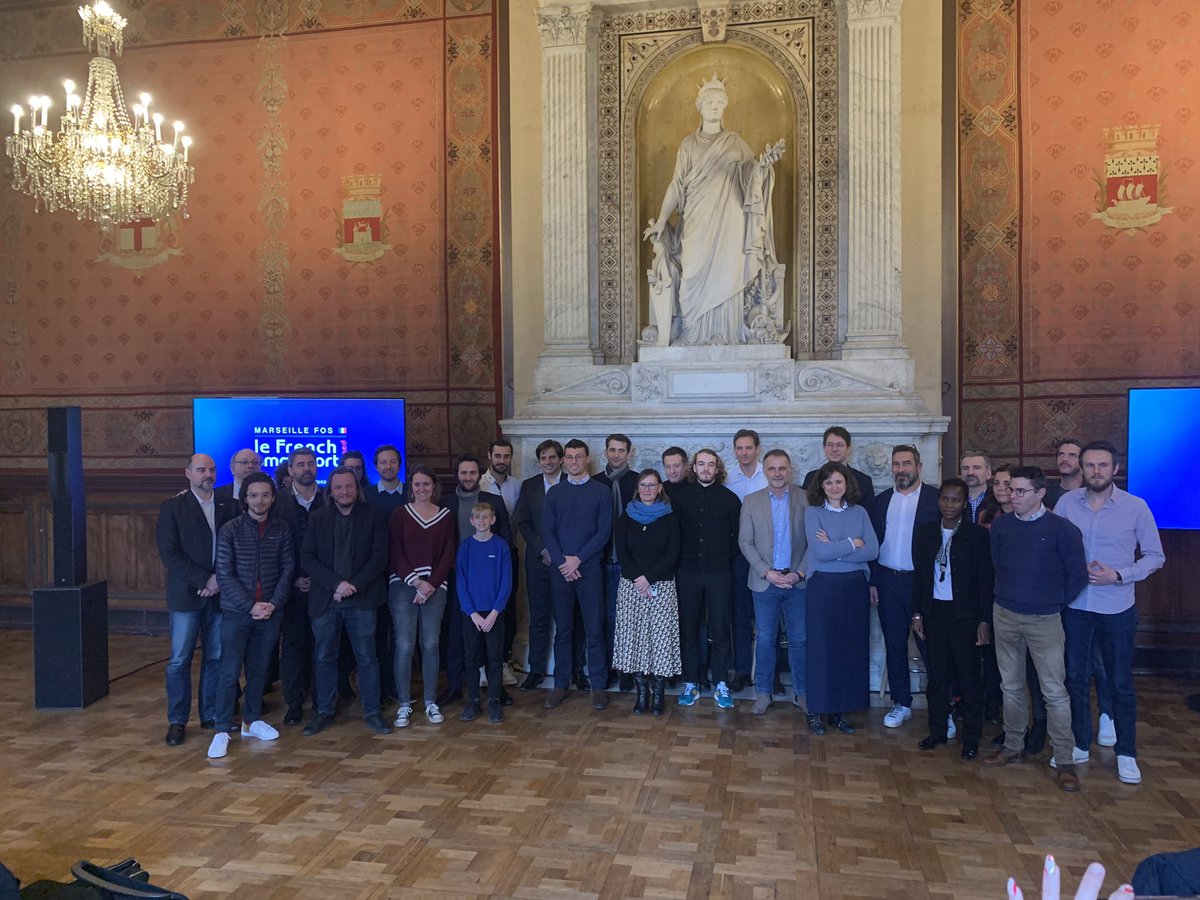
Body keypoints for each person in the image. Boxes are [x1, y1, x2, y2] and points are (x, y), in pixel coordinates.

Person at [642, 75, 786, 345]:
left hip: (730, 220)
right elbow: (677, 183)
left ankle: (729, 336)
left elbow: (750, 177)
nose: (715, 106)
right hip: (697, 221)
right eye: (710, 101)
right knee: (692, 272)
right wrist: (662, 220)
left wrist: (763, 167)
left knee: (727, 274)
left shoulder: (734, 142)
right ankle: (692, 335)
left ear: (725, 106)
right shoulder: (688, 145)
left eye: (720, 101)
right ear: (700, 105)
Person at [1053, 440, 1165, 785]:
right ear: (1081, 469)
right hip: (1075, 605)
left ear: (1115, 470)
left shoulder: (1136, 507)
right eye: (1090, 466)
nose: (1096, 472)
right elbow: (1053, 545)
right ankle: (1080, 743)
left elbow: (1154, 556)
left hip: (1117, 607)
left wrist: (1118, 575)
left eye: (1103, 466)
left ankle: (1127, 753)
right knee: (1074, 677)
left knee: (1119, 683)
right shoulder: (1066, 503)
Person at [982, 466, 1088, 792]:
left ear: (1040, 493)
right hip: (1005, 614)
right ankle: (1013, 745)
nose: (1012, 496)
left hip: (1045, 619)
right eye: (1011, 490)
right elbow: (996, 566)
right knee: (1010, 686)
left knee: (1054, 691)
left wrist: (1053, 602)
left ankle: (1064, 759)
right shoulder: (1001, 526)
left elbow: (1078, 576)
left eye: (1020, 491)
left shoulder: (1062, 530)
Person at [208, 473, 294, 759]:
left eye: (265, 495)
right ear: (245, 498)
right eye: (254, 495)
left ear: (273, 497)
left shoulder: (281, 529)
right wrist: (250, 606)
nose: (260, 500)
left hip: (270, 612)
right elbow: (224, 573)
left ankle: (252, 720)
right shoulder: (230, 529)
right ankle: (222, 729)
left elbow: (287, 569)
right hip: (237, 613)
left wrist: (273, 603)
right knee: (229, 671)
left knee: (260, 670)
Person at [300, 466, 392, 737]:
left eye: (349, 486)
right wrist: (336, 585)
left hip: (362, 601)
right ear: (331, 491)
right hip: (326, 602)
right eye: (338, 487)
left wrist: (353, 586)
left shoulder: (373, 516)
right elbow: (308, 558)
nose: (344, 491)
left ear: (357, 488)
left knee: (367, 658)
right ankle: (324, 712)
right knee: (324, 658)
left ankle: (373, 712)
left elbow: (380, 556)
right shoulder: (317, 518)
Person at [156, 453, 238, 746]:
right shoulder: (172, 507)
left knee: (216, 657)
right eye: (201, 469)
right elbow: (169, 553)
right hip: (186, 595)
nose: (208, 474)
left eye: (212, 470)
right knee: (179, 660)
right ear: (188, 473)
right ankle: (177, 721)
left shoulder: (230, 505)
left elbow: (235, 547)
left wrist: (218, 579)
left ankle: (212, 714)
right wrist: (204, 580)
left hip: (220, 595)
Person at [910, 478, 993, 759]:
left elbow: (985, 581)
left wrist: (984, 620)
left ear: (963, 503)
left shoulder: (977, 536)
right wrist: (918, 613)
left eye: (955, 500)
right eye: (944, 499)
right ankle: (937, 730)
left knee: (969, 677)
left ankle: (971, 737)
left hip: (965, 615)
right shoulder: (926, 533)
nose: (949, 504)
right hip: (935, 612)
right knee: (938, 676)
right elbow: (921, 577)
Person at [803, 461, 879, 734]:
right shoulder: (813, 514)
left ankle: (842, 711)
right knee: (821, 648)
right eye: (828, 483)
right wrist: (850, 543)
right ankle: (816, 711)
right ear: (820, 487)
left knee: (849, 649)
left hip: (855, 586)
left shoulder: (859, 512)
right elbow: (820, 554)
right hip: (823, 586)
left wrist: (834, 547)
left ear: (847, 484)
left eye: (839, 482)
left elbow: (871, 550)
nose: (834, 487)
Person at [868, 444, 941, 728]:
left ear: (919, 467)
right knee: (894, 643)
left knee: (930, 647)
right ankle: (901, 702)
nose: (901, 469)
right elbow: (874, 542)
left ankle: (942, 707)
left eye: (906, 464)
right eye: (896, 464)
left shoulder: (935, 499)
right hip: (888, 581)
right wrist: (873, 581)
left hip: (922, 583)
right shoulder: (882, 500)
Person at [542, 439, 613, 710]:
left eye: (578, 457)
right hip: (560, 572)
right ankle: (561, 684)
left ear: (587, 460)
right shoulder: (555, 493)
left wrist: (578, 560)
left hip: (590, 570)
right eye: (569, 457)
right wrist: (563, 563)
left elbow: (603, 532)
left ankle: (598, 685)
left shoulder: (601, 491)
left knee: (595, 629)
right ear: (563, 461)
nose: (573, 461)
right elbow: (548, 531)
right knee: (563, 630)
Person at [738, 449, 809, 716]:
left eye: (782, 469)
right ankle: (764, 693)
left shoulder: (806, 499)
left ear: (789, 470)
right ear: (765, 471)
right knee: (766, 639)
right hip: (764, 582)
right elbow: (745, 542)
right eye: (772, 469)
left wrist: (799, 574)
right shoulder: (751, 501)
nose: (777, 474)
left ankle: (801, 693)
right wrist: (766, 572)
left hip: (797, 583)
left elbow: (815, 541)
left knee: (800, 639)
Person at [439, 454, 512, 706]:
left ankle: (496, 691)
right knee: (456, 635)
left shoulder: (492, 501)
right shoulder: (446, 502)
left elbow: (505, 536)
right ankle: (456, 686)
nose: (467, 477)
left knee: (493, 640)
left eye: (472, 473)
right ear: (457, 475)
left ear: (478, 475)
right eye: (463, 473)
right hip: (455, 576)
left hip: (490, 577)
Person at [387, 465, 456, 729]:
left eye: (426, 484)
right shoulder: (399, 515)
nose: (422, 489)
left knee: (430, 644)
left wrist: (430, 585)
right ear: (410, 487)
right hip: (403, 586)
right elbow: (395, 554)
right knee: (405, 645)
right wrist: (416, 582)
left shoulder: (445, 516)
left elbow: (448, 553)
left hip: (435, 588)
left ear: (434, 486)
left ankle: (430, 701)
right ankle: (404, 703)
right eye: (417, 484)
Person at [672, 449, 741, 709]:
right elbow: (674, 535)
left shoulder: (730, 499)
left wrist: (721, 558)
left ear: (717, 468)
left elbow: (737, 537)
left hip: (719, 573)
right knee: (688, 628)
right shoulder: (679, 498)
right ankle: (691, 681)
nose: (705, 469)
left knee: (722, 628)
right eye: (701, 464)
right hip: (687, 573)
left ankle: (721, 681)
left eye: (710, 464)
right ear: (694, 467)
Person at [612, 470, 682, 716]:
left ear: (660, 488)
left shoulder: (670, 517)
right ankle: (642, 694)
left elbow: (673, 552)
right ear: (637, 487)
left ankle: (659, 694)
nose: (647, 489)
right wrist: (638, 579)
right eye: (643, 485)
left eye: (652, 485)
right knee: (636, 639)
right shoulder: (626, 516)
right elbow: (622, 550)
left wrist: (649, 578)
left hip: (661, 586)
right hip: (631, 586)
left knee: (659, 640)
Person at [275, 446, 327, 726]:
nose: (307, 468)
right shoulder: (278, 501)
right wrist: (293, 577)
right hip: (290, 587)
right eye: (301, 464)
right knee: (293, 646)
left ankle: (322, 702)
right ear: (291, 469)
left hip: (324, 587)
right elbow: (274, 546)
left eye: (311, 463)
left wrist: (320, 578)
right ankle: (294, 703)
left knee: (324, 646)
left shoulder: (330, 498)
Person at [512, 439, 563, 692]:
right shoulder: (529, 486)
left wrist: (559, 554)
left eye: (552, 457)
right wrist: (543, 549)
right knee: (539, 618)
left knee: (567, 620)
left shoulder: (571, 483)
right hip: (538, 562)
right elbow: (523, 522)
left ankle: (570, 670)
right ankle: (536, 670)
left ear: (561, 459)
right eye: (543, 458)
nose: (548, 462)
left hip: (566, 564)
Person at [456, 502, 513, 724]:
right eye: (477, 518)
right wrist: (472, 613)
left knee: (495, 658)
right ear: (471, 521)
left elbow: (506, 582)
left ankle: (495, 701)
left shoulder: (500, 546)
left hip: (494, 615)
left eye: (485, 517)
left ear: (493, 520)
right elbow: (461, 582)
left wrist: (494, 613)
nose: (481, 521)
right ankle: (472, 701)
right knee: (471, 659)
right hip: (471, 614)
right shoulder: (465, 547)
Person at [594, 433, 638, 690]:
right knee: (606, 619)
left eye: (622, 450)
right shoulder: (595, 482)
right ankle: (610, 667)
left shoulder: (638, 482)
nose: (616, 454)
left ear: (629, 453)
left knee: (628, 619)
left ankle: (628, 670)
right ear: (605, 452)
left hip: (629, 563)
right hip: (600, 562)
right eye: (612, 450)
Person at [726, 428, 768, 692]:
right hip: (739, 554)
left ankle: (769, 673)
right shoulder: (728, 478)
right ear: (734, 450)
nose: (744, 453)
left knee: (768, 617)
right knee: (740, 615)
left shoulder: (771, 474)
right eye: (739, 448)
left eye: (748, 448)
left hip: (768, 555)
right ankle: (742, 670)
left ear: (757, 449)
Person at [480, 438, 521, 687]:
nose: (502, 461)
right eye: (498, 456)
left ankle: (503, 661)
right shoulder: (478, 483)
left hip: (509, 554)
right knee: (484, 608)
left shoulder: (517, 486)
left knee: (507, 608)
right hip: (482, 558)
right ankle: (484, 664)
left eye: (506, 456)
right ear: (489, 456)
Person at [800, 426, 876, 506]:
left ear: (848, 449)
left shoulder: (864, 481)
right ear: (824, 448)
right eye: (830, 445)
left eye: (839, 445)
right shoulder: (811, 478)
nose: (834, 449)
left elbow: (868, 516)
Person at [363, 444, 406, 516]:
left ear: (399, 465)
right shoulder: (365, 495)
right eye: (383, 462)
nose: (388, 467)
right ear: (376, 467)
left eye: (393, 462)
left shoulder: (411, 492)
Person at [1043, 436, 1084, 510]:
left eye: (1072, 455)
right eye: (1061, 454)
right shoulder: (1045, 493)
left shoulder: (1091, 492)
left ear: (1083, 461)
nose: (1064, 459)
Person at [959, 449, 993, 524]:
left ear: (988, 473)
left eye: (976, 467)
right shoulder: (953, 500)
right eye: (965, 468)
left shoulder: (997, 499)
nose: (970, 472)